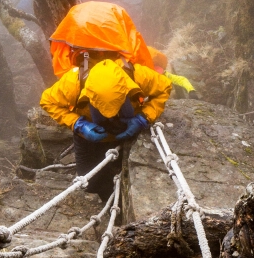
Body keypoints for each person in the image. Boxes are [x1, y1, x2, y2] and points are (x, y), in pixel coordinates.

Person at [40, 50, 172, 200]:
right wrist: (78, 124)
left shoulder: (138, 75)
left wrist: (143, 118)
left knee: (122, 174)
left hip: (127, 128)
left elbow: (165, 87)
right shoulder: (73, 83)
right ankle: (105, 203)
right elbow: (47, 101)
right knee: (90, 185)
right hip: (88, 137)